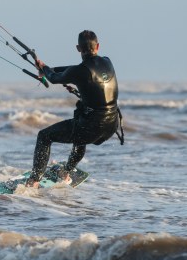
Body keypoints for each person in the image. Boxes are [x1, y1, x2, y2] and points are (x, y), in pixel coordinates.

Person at [25, 30, 123, 187]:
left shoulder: (79, 71)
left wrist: (45, 70)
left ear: (78, 48)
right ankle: (66, 171)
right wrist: (48, 68)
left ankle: (34, 181)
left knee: (44, 136)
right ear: (97, 46)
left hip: (92, 128)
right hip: (111, 126)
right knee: (80, 130)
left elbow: (54, 78)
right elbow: (74, 70)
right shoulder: (107, 61)